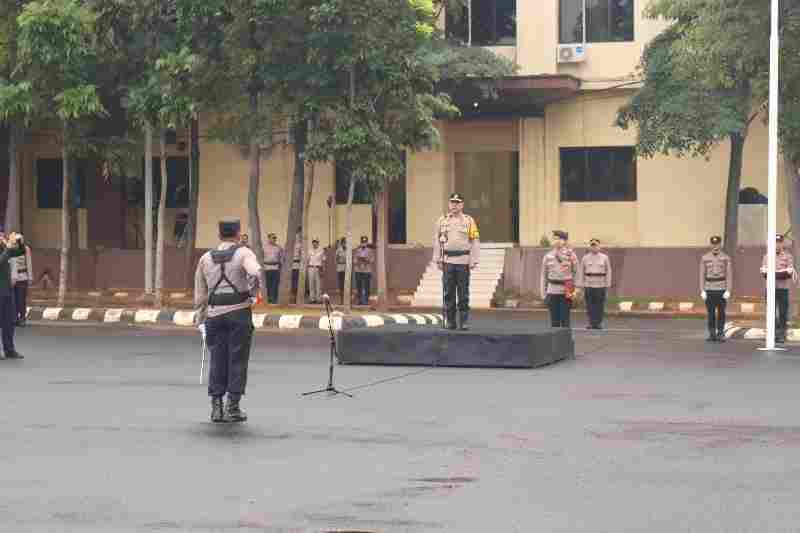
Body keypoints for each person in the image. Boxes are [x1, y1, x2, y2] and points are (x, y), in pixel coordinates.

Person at [194, 217, 262, 422]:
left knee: (217, 359)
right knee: (237, 359)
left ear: (219, 235)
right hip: (239, 313)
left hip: (214, 315)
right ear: (238, 233)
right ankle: (232, 406)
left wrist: (200, 315)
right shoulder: (244, 253)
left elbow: (200, 292)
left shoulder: (205, 258)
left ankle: (216, 408)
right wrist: (254, 293)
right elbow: (255, 272)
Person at [435, 193, 480, 330]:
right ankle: (450, 321)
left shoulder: (469, 221)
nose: (454, 205)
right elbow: (437, 242)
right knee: (448, 293)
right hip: (448, 261)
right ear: (449, 204)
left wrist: (473, 260)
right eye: (452, 202)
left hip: (463, 261)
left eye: (457, 202)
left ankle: (464, 321)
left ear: (462, 205)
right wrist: (438, 259)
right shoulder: (442, 221)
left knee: (463, 293)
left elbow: (475, 241)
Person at [761, 234, 797, 343]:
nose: (778, 244)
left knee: (782, 312)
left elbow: (788, 274)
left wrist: (773, 273)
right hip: (770, 288)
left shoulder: (788, 257)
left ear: (783, 243)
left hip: (783, 288)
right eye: (776, 242)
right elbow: (764, 274)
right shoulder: (767, 257)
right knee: (771, 312)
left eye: (780, 242)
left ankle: (782, 334)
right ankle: (774, 333)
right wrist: (780, 273)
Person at [540, 230, 578, 328]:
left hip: (566, 290)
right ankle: (555, 342)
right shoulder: (548, 256)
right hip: (552, 290)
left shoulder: (571, 255)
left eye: (560, 239)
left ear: (565, 241)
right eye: (555, 239)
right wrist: (543, 293)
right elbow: (544, 275)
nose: (557, 241)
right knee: (554, 320)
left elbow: (576, 272)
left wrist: (576, 289)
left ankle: (565, 342)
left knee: (565, 319)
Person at [700, 235, 732, 342]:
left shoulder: (726, 258)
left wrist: (728, 290)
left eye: (717, 244)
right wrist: (702, 290)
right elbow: (702, 274)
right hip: (709, 288)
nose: (715, 246)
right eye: (713, 244)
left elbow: (729, 275)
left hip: (721, 289)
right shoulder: (705, 258)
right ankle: (712, 333)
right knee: (711, 313)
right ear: (711, 245)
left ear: (720, 245)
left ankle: (720, 333)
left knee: (721, 312)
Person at [0, 228, 26, 359]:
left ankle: (9, 349)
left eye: (2, 234)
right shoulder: (5, 250)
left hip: (7, 291)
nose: (1, 237)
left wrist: (20, 241)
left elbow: (20, 252)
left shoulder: (5, 248)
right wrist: (8, 248)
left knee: (9, 321)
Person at [578, 238, 612, 329]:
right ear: (590, 247)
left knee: (599, 305)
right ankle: (591, 322)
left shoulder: (604, 257)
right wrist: (581, 285)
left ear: (599, 246)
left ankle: (598, 323)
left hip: (600, 284)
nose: (594, 247)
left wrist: (608, 285)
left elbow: (608, 271)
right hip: (588, 284)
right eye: (592, 245)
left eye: (595, 245)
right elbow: (581, 271)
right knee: (589, 305)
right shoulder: (585, 258)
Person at [11, 237, 33, 327]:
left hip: (23, 278)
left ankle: (22, 318)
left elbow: (29, 263)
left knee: (21, 300)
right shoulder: (10, 249)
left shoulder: (25, 249)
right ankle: (15, 318)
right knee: (14, 300)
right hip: (12, 279)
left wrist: (30, 277)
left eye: (18, 241)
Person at [262, 233, 283, 304]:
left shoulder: (278, 247)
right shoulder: (264, 247)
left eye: (275, 238)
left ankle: (274, 298)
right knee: (267, 284)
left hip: (275, 267)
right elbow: (261, 257)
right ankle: (268, 298)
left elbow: (281, 257)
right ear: (269, 238)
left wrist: (281, 266)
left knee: (275, 284)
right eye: (273, 238)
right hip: (267, 267)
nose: (274, 239)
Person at [354, 235, 374, 306]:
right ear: (361, 242)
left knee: (366, 286)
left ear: (367, 242)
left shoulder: (370, 251)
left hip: (367, 271)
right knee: (359, 286)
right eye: (362, 242)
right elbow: (355, 260)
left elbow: (372, 260)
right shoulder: (357, 250)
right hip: (358, 270)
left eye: (365, 242)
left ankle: (366, 300)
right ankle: (360, 300)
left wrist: (366, 260)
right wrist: (358, 261)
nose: (363, 243)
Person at [307, 239, 326, 303]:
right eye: (314, 242)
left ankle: (319, 299)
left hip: (318, 268)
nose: (315, 243)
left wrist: (323, 269)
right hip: (311, 267)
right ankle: (312, 299)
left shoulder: (321, 250)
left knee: (318, 284)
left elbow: (323, 260)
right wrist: (307, 268)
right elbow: (307, 260)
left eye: (316, 242)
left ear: (318, 243)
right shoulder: (309, 250)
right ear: (312, 243)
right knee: (311, 284)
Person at [291, 226, 302, 298]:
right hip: (292, 265)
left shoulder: (301, 244)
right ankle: (293, 295)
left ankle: (297, 296)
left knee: (298, 281)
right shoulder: (291, 244)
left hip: (298, 264)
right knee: (293, 281)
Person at [335, 238, 347, 304]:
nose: (344, 244)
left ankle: (347, 299)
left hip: (347, 268)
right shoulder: (338, 250)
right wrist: (340, 261)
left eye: (345, 242)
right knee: (341, 285)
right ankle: (341, 300)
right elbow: (336, 259)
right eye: (343, 242)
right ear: (341, 243)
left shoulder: (348, 249)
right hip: (340, 268)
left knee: (347, 284)